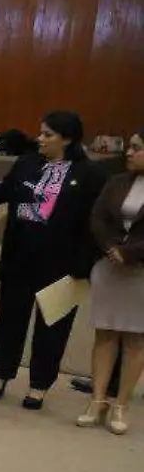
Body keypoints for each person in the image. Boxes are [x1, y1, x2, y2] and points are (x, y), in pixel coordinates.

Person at [0, 110, 102, 410]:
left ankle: (39, 384)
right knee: (10, 318)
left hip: (62, 263)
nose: (40, 139)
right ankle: (1, 375)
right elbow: (4, 193)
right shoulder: (27, 163)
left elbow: (94, 223)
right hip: (19, 255)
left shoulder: (89, 174)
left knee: (52, 327)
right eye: (40, 133)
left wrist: (84, 265)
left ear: (67, 138)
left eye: (48, 134)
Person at [81, 131, 144, 435]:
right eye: (130, 147)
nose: (129, 152)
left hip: (140, 271)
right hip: (109, 267)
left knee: (134, 340)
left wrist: (130, 253)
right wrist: (110, 249)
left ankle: (121, 405)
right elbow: (97, 217)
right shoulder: (116, 181)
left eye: (136, 148)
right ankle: (97, 400)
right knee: (104, 334)